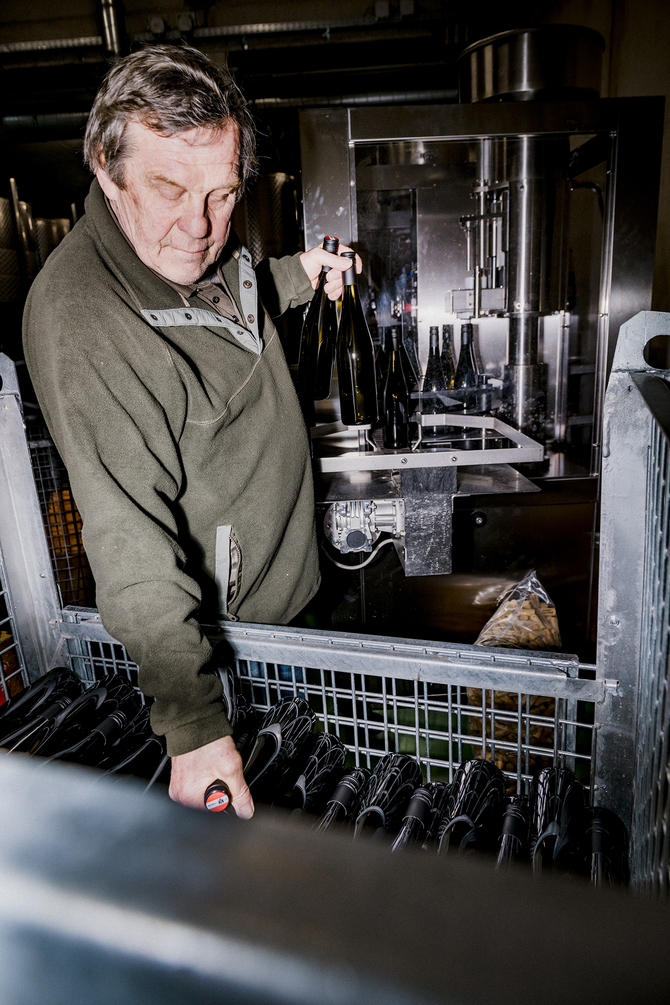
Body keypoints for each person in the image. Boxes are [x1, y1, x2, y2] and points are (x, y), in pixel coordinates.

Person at [23, 45, 357, 817]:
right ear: (107, 171)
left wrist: (297, 275)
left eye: (222, 193)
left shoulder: (183, 238)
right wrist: (193, 725)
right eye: (169, 187)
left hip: (290, 599)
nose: (199, 226)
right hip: (230, 653)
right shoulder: (83, 316)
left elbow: (225, 308)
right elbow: (127, 540)